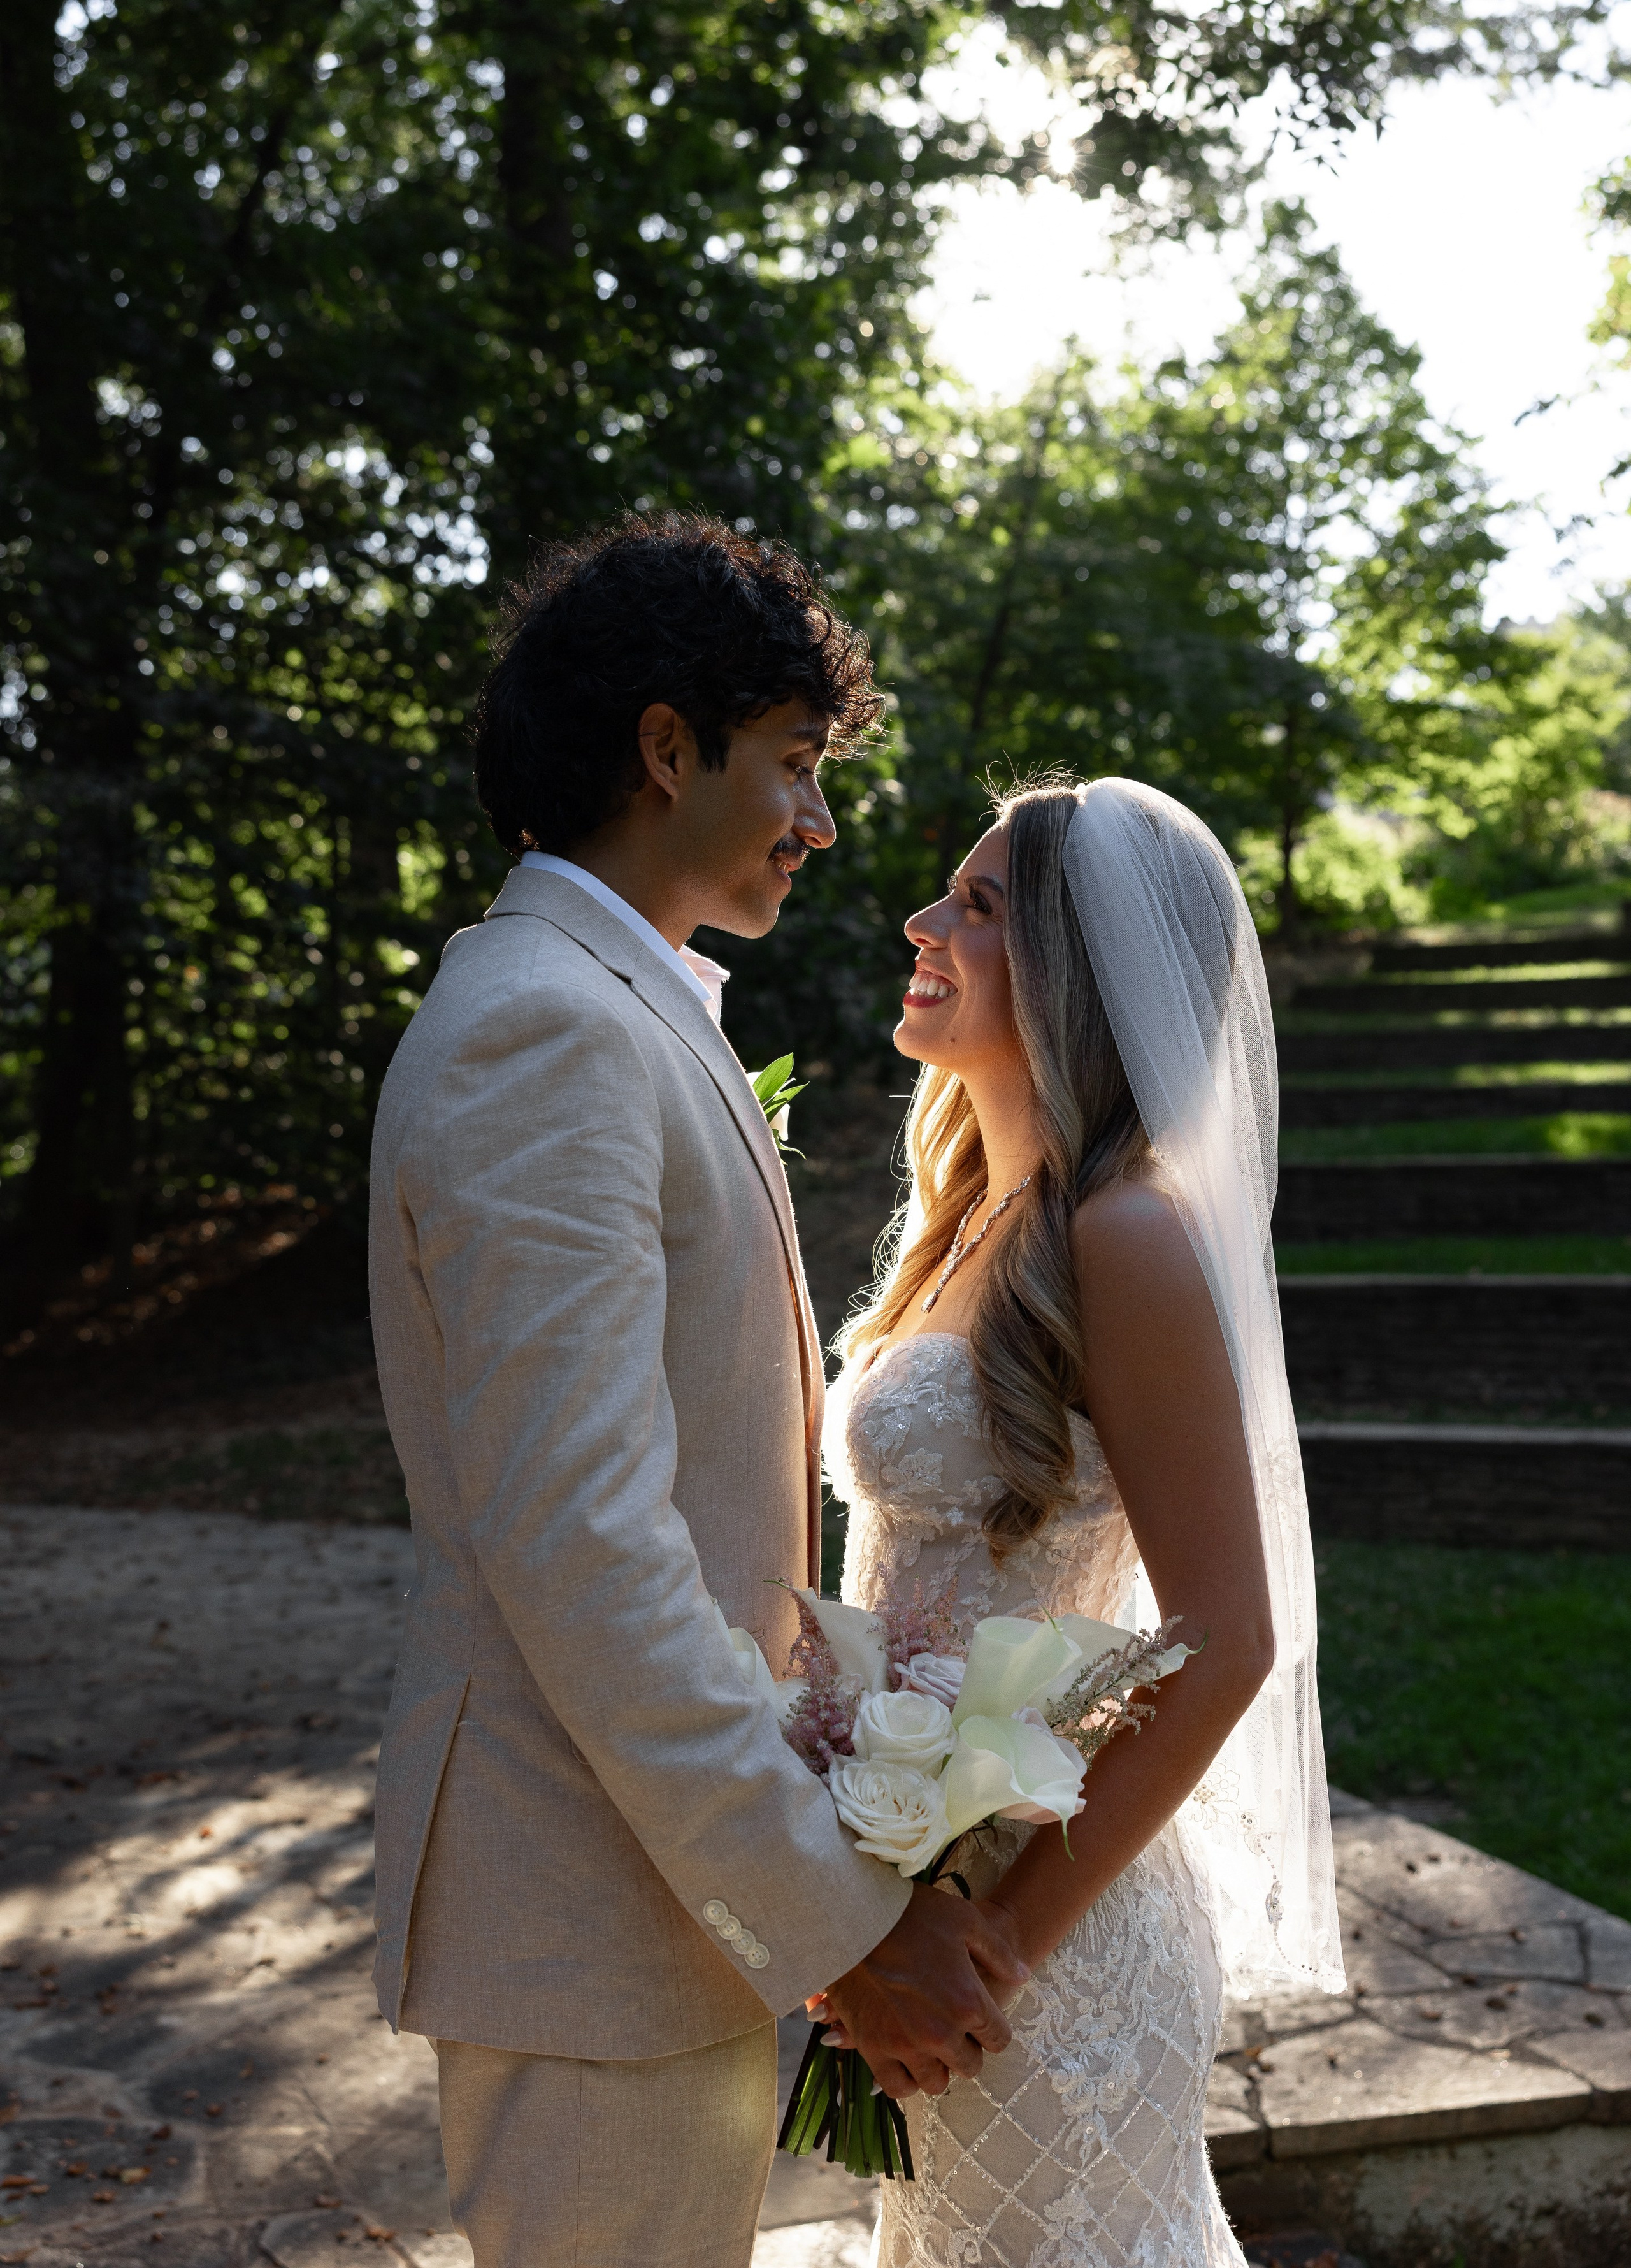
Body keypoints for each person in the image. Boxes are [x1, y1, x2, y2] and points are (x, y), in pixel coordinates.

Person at [366, 512, 1024, 2268]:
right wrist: (840, 1916)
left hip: (657, 1904)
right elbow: (585, 1543)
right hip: (593, 1922)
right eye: (796, 764)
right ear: (670, 749)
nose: (821, 820)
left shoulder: (608, 1005)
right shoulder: (548, 1030)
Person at [813, 775, 1345, 2265]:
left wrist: (991, 1943)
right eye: (945, 893)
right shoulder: (969, 1214)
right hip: (919, 1893)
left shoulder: (1126, 1232)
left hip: (1051, 1944)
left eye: (978, 906)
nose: (923, 922)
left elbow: (1225, 1642)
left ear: (1080, 971)